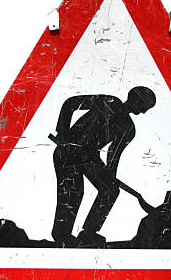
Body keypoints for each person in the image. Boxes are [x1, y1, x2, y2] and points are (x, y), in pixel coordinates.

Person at [50, 87, 156, 247]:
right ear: (136, 100)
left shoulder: (129, 129)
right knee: (74, 191)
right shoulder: (109, 101)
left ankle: (89, 233)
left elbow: (114, 155)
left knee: (111, 189)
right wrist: (63, 133)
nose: (142, 112)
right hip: (69, 149)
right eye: (143, 107)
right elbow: (70, 103)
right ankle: (62, 235)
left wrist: (110, 176)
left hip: (89, 157)